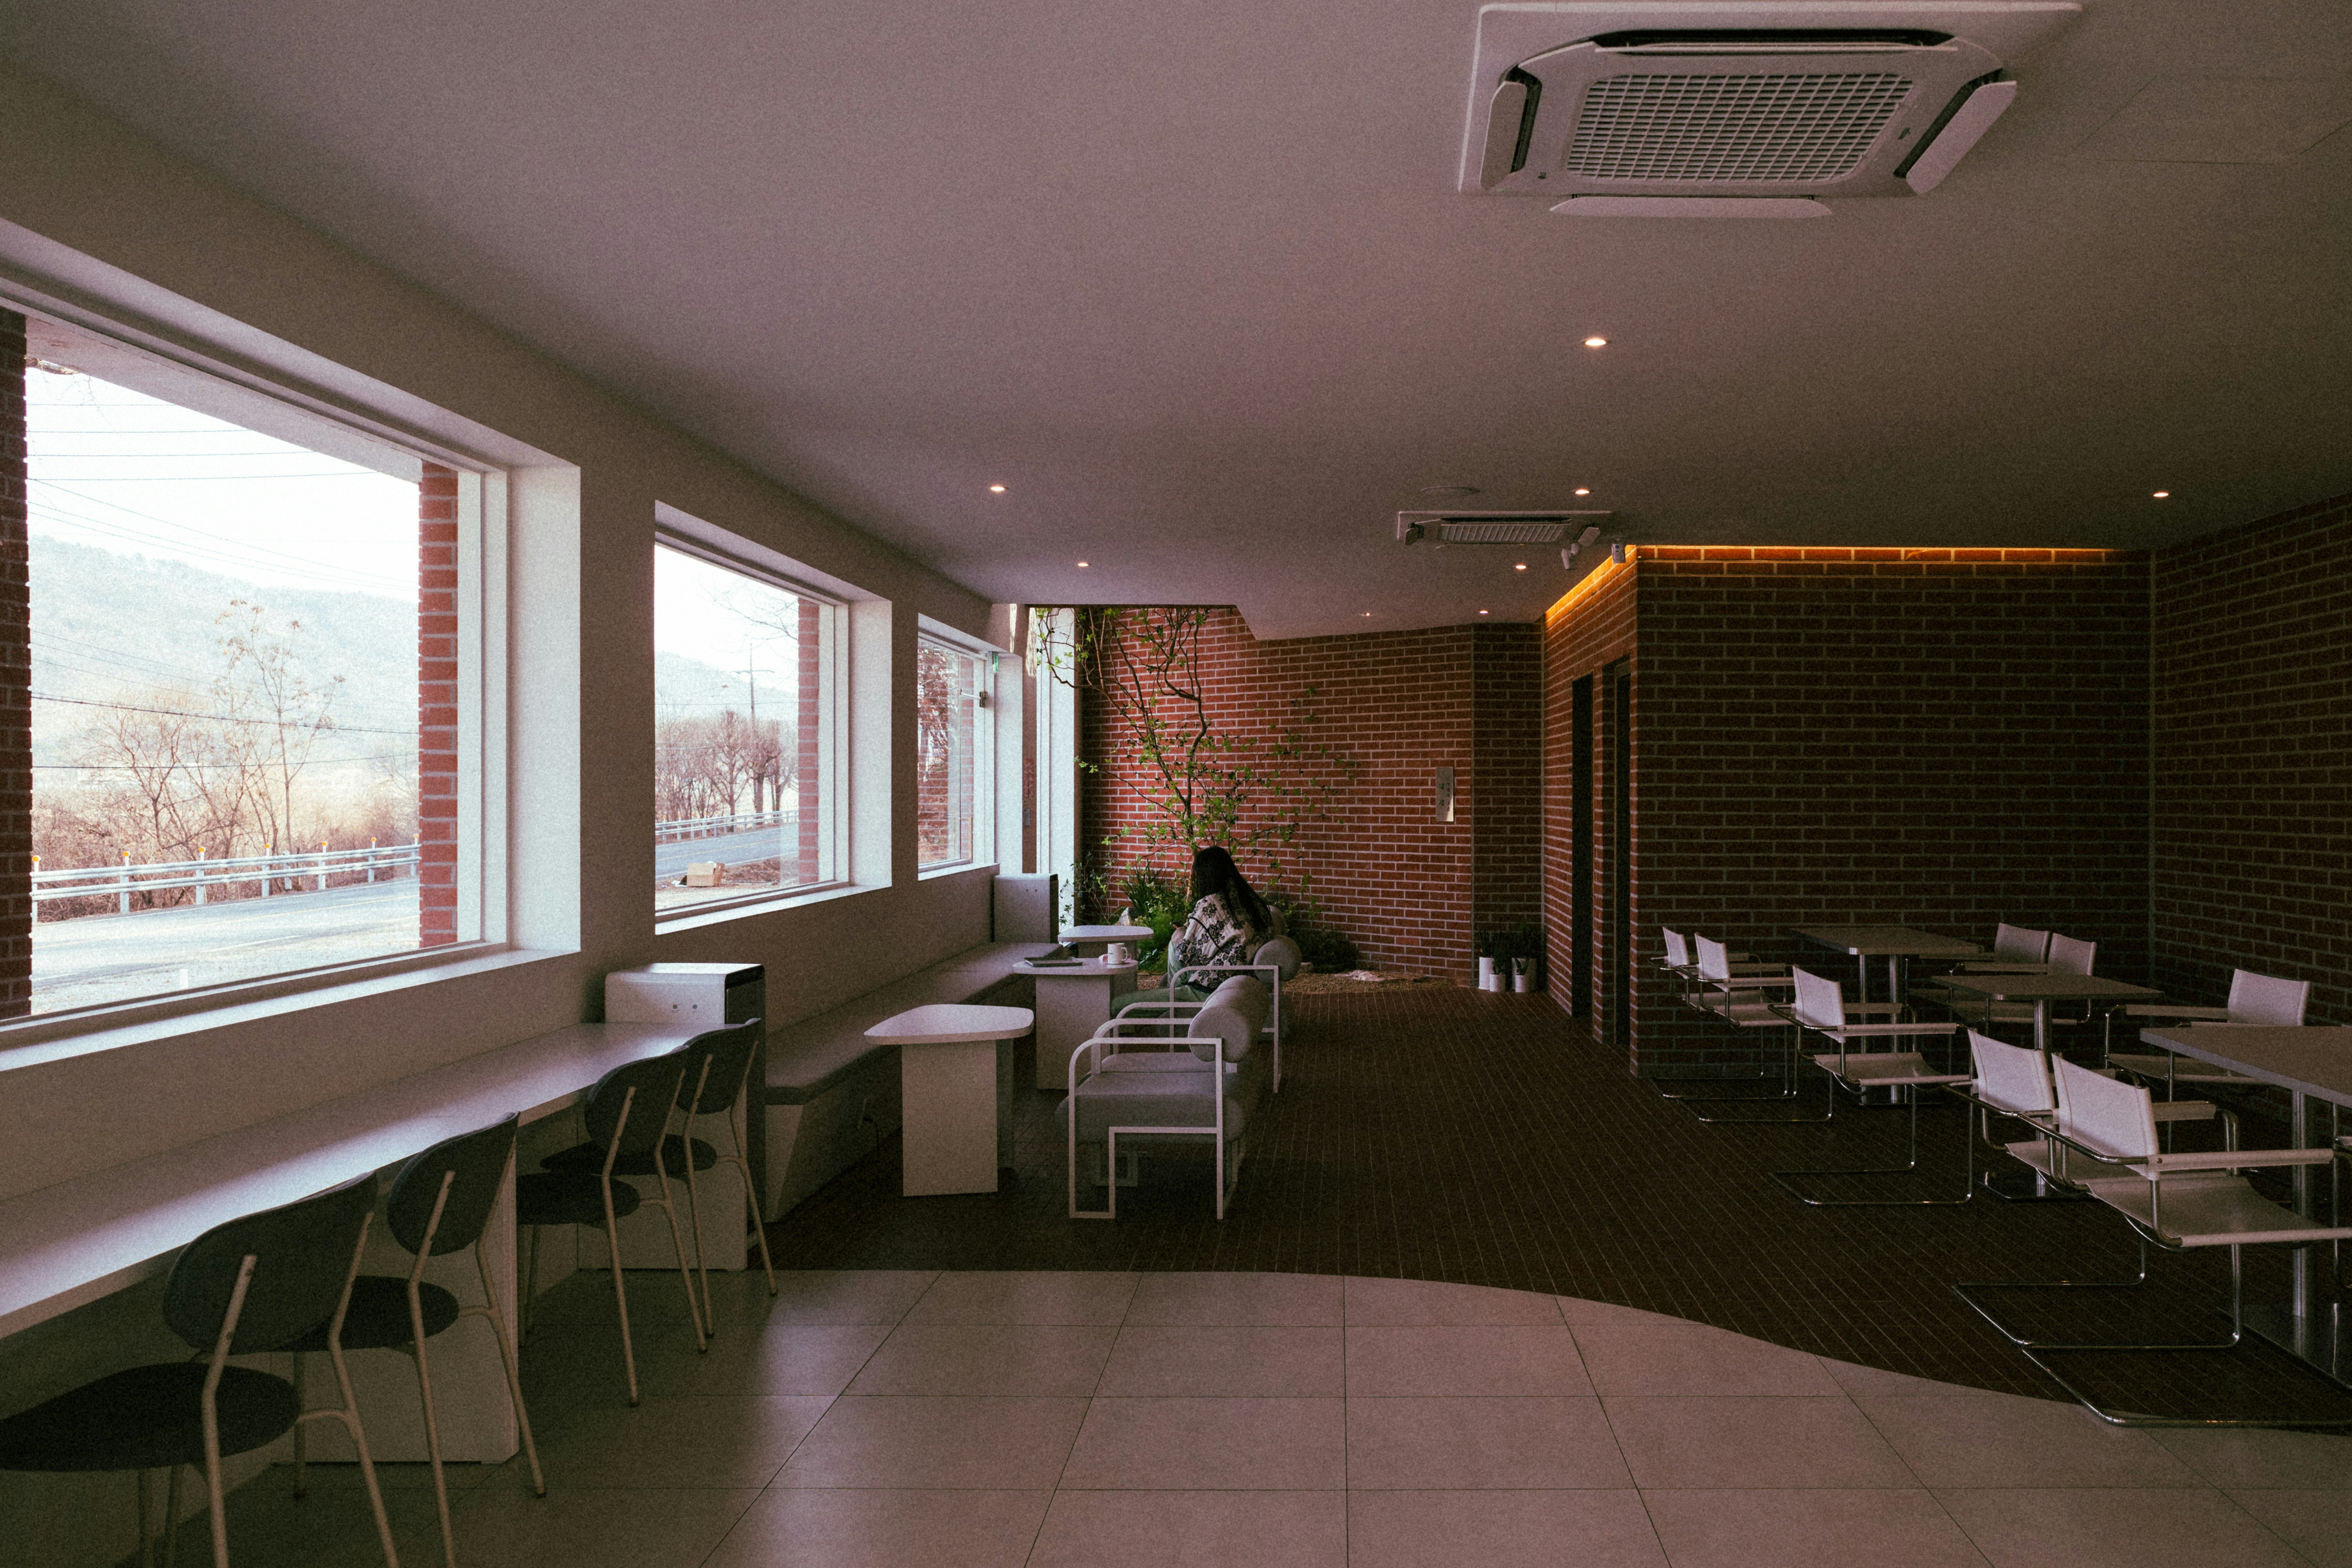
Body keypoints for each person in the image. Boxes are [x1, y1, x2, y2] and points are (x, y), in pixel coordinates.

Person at [1163, 846, 1280, 984]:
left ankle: (1176, 998)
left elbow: (1186, 955)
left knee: (1175, 942)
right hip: (1250, 978)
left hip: (1216, 985)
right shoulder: (1250, 898)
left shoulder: (1210, 903)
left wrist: (1180, 936)